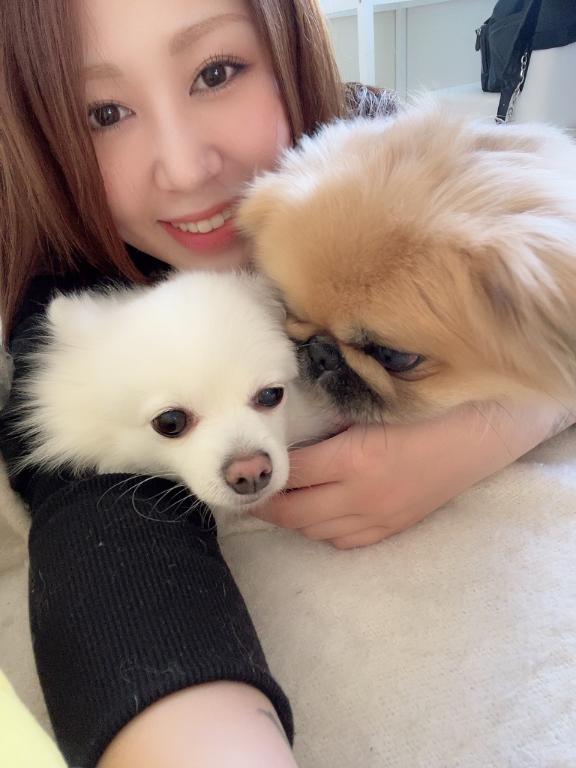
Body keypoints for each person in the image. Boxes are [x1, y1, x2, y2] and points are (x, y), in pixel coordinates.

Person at [0, 1, 571, 766]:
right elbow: (98, 520)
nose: (185, 166)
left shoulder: (382, 152)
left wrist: (515, 414)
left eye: (216, 72)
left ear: (292, 46)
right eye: (103, 112)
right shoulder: (79, 297)